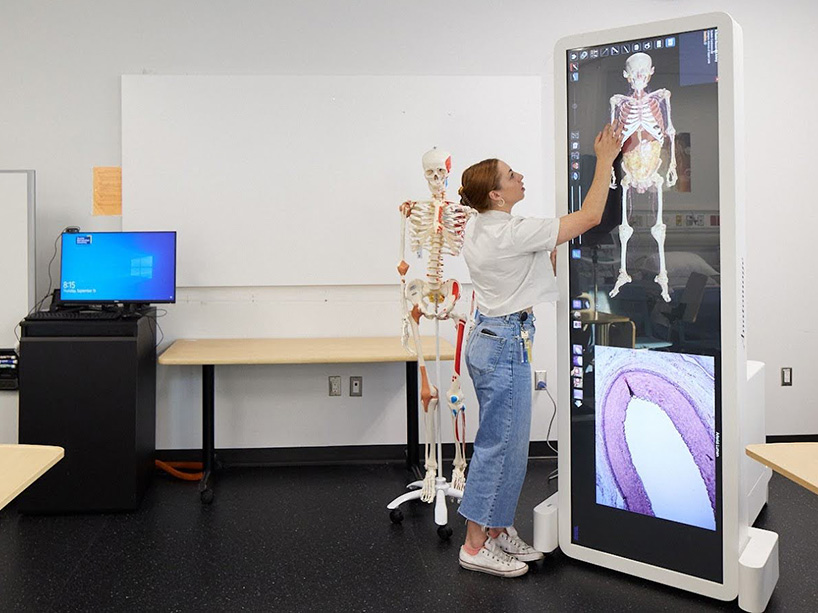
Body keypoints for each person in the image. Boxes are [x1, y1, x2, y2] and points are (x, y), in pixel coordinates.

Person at [456, 123, 623, 577]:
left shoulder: (481, 228)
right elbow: (588, 217)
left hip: (494, 337)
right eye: (511, 176)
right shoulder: (510, 232)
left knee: (509, 447)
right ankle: (474, 546)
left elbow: (522, 262)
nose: (520, 177)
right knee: (499, 446)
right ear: (495, 196)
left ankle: (495, 530)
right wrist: (606, 159)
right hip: (504, 342)